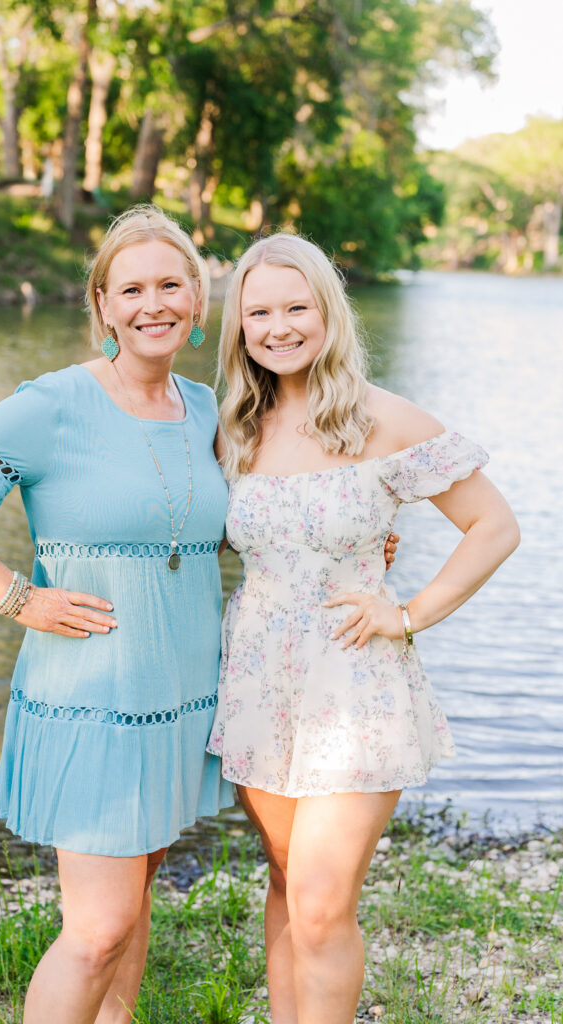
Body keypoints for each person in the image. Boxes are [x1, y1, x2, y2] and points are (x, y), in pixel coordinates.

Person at [0, 206, 237, 1024]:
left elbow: (214, 528)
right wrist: (15, 595)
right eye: (132, 289)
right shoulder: (56, 402)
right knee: (97, 928)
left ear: (196, 298)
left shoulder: (206, 408)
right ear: (104, 305)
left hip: (178, 696)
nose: (153, 304)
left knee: (133, 907)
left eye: (170, 284)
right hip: (92, 696)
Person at [206, 233, 520, 1024]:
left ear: (327, 312)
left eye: (295, 308)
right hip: (256, 680)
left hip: (355, 684)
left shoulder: (382, 420)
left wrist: (407, 611)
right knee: (284, 882)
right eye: (259, 312)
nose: (278, 328)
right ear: (238, 325)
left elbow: (492, 526)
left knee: (318, 902)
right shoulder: (234, 428)